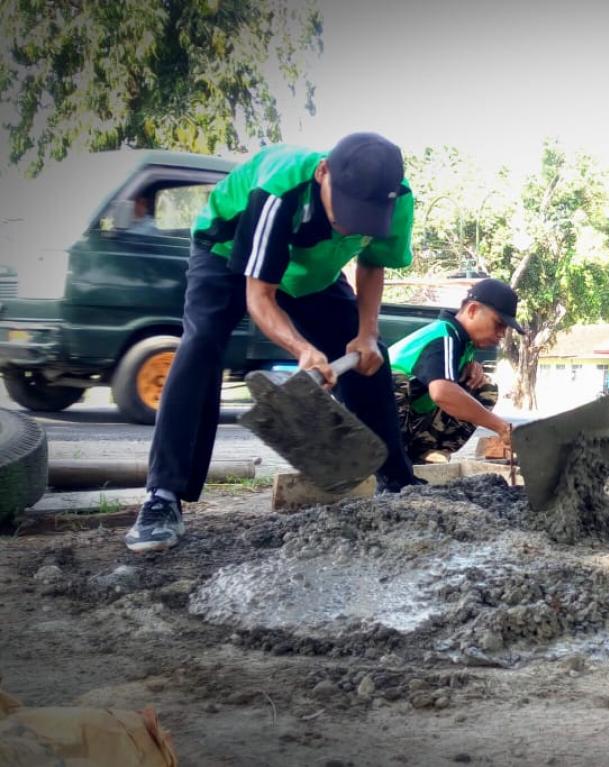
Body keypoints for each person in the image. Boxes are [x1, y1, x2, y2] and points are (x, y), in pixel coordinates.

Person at [127, 133, 422, 553]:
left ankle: (396, 480)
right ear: (323, 173)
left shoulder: (399, 201)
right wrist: (300, 348)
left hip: (312, 271)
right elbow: (259, 295)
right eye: (347, 212)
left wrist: (367, 332)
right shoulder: (280, 188)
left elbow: (373, 264)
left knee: (369, 357)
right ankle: (162, 498)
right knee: (201, 345)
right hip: (227, 253)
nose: (351, 225)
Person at [389, 278, 523, 462]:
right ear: (473, 310)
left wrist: (472, 367)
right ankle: (391, 458)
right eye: (498, 324)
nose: (501, 334)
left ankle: (426, 454)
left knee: (484, 389)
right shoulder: (443, 336)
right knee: (394, 380)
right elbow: (442, 393)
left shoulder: (462, 344)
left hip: (410, 418)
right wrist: (501, 427)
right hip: (369, 417)